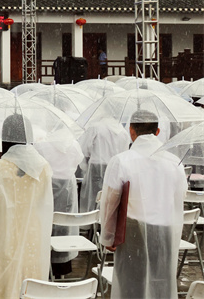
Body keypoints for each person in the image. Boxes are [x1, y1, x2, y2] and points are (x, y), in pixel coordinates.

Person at [99, 109, 187, 298]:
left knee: (131, 285)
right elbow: (181, 195)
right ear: (158, 131)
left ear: (131, 130)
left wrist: (108, 236)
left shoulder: (121, 161)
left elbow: (110, 202)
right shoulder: (175, 162)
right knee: (161, 282)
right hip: (165, 232)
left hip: (133, 232)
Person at [0, 114, 54, 298]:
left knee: (1, 289)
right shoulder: (43, 167)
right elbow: (45, 205)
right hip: (32, 242)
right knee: (28, 287)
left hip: (2, 240)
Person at [35, 132, 84, 277]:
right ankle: (61, 267)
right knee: (64, 224)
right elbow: (79, 161)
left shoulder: (41, 145)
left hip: (47, 186)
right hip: (68, 188)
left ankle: (44, 265)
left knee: (45, 224)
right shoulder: (74, 145)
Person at [78, 119, 130, 213]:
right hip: (115, 169)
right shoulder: (123, 132)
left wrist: (85, 167)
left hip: (95, 169)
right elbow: (125, 154)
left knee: (92, 202)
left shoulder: (95, 127)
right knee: (109, 202)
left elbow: (83, 150)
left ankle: (90, 221)